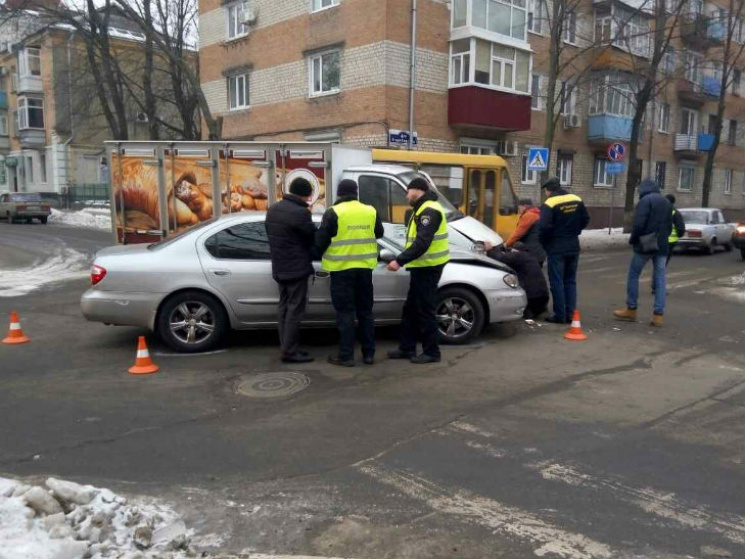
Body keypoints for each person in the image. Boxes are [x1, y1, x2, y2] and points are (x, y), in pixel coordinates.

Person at [316, 179, 384, 367]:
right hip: (364, 270)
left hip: (341, 271)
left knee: (345, 313)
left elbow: (320, 242)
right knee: (365, 313)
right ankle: (369, 354)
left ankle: (346, 356)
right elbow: (379, 232)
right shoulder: (370, 210)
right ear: (356, 193)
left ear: (339, 194)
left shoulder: (333, 212)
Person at [385, 177, 450, 364]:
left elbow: (422, 242)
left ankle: (432, 352)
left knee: (425, 310)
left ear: (417, 190)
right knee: (411, 308)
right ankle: (407, 348)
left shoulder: (429, 210)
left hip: (428, 267)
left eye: (408, 191)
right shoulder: (421, 208)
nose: (406, 196)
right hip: (421, 266)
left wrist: (399, 261)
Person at [265, 178, 317, 363]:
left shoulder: (273, 209)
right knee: (295, 311)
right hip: (296, 268)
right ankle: (289, 352)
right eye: (309, 194)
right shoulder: (300, 213)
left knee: (284, 309)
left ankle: (286, 347)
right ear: (305, 194)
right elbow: (311, 237)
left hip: (279, 267)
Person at [614, 178, 673, 327]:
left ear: (642, 189)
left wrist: (633, 240)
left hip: (646, 244)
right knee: (660, 279)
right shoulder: (666, 202)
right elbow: (669, 225)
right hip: (663, 245)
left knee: (634, 274)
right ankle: (658, 315)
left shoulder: (645, 201)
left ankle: (631, 309)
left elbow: (639, 224)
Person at [538, 177, 590, 324]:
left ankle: (559, 315)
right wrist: (575, 231)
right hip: (573, 244)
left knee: (557, 282)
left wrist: (545, 242)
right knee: (570, 281)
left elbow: (543, 227)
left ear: (549, 189)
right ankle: (571, 314)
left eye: (546, 191)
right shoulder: (576, 199)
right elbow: (585, 219)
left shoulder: (549, 203)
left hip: (556, 247)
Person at [485, 241, 549, 319]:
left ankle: (529, 313)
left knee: (523, 315)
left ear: (515, 251)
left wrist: (490, 250)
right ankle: (539, 310)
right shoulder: (530, 256)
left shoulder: (518, 256)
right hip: (543, 296)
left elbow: (500, 258)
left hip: (532, 298)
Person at [505, 198, 546, 266]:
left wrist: (507, 244)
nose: (519, 210)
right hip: (539, 251)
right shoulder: (537, 213)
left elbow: (518, 233)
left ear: (525, 206)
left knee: (529, 274)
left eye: (519, 207)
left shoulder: (529, 215)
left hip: (532, 252)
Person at [665, 194, 686, 267]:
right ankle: (659, 277)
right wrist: (678, 235)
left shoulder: (659, 210)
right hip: (671, 241)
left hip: (658, 240)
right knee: (664, 262)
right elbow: (681, 228)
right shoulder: (676, 213)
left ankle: (657, 275)